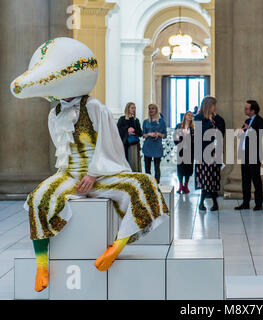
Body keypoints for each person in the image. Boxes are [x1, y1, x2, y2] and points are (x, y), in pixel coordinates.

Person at [10, 37, 169, 292]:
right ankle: (41, 264)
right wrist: (67, 175)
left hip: (101, 174)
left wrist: (94, 174)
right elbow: (62, 150)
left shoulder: (95, 107)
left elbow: (110, 143)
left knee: (145, 185)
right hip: (70, 174)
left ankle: (116, 247)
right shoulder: (55, 114)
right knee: (38, 198)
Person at [194, 96, 225, 211]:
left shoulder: (217, 119)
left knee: (214, 178)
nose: (215, 107)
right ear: (208, 106)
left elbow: (222, 131)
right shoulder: (198, 118)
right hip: (203, 153)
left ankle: (215, 203)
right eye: (213, 105)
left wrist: (215, 118)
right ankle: (202, 202)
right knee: (204, 178)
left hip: (215, 153)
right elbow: (198, 137)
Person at [235, 100, 263, 211]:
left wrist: (249, 129)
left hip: (254, 154)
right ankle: (245, 202)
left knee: (256, 179)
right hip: (245, 154)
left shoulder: (260, 121)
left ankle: (258, 204)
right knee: (245, 179)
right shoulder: (247, 120)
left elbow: (259, 135)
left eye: (247, 108)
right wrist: (241, 132)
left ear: (253, 110)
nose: (245, 110)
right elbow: (242, 135)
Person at [142, 104, 167, 184]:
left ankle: (157, 184)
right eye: (149, 109)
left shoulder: (161, 122)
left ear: (156, 110)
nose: (151, 110)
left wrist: (158, 134)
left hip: (157, 146)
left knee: (157, 167)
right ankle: (148, 184)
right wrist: (150, 134)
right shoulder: (145, 122)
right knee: (147, 167)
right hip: (148, 146)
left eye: (152, 108)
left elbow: (164, 135)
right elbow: (143, 135)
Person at [117, 102, 143, 172]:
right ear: (128, 109)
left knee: (133, 162)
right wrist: (127, 130)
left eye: (134, 108)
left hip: (134, 144)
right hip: (124, 144)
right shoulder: (122, 119)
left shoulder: (136, 120)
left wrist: (134, 130)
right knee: (125, 161)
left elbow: (140, 133)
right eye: (132, 108)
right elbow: (117, 131)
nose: (134, 109)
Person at [174, 111, 195, 194]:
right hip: (181, 150)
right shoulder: (179, 126)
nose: (190, 116)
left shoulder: (193, 128)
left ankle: (186, 185)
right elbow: (175, 138)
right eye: (188, 115)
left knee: (188, 168)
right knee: (180, 168)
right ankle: (180, 185)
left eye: (191, 115)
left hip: (190, 151)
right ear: (185, 116)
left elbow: (195, 140)